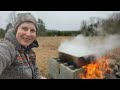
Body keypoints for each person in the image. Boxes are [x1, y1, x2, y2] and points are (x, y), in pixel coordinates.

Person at [0, 13, 46, 79]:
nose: (28, 34)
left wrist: (40, 78)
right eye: (24, 28)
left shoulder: (30, 52)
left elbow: (35, 72)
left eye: (32, 30)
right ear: (16, 30)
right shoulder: (7, 48)